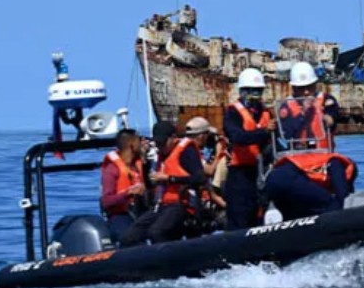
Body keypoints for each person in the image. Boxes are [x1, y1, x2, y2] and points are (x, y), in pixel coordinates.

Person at [120, 118, 216, 246]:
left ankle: (169, 256)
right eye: (158, 143)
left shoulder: (186, 151)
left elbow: (199, 179)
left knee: (156, 232)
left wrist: (170, 178)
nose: (160, 146)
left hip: (182, 205)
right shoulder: (159, 156)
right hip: (161, 205)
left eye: (163, 143)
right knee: (130, 236)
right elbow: (149, 185)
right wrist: (145, 162)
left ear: (173, 138)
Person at [223, 68, 276, 230]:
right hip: (240, 173)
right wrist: (264, 132)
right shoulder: (233, 113)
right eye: (252, 91)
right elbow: (237, 137)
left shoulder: (266, 113)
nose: (256, 96)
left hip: (262, 171)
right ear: (243, 91)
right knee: (241, 215)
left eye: (259, 91)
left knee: (261, 212)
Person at [265, 150, 357, 220]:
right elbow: (341, 192)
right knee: (331, 204)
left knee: (296, 215)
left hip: (272, 180)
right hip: (289, 178)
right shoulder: (338, 163)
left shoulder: (320, 161)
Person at [100, 128, 147, 243]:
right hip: (120, 215)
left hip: (141, 212)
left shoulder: (140, 164)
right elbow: (106, 201)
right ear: (132, 144)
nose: (142, 142)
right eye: (139, 140)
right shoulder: (112, 169)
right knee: (129, 237)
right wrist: (128, 193)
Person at [277, 62, 339, 149]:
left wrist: (323, 117)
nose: (306, 92)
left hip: (323, 153)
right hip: (297, 153)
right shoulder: (286, 106)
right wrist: (303, 113)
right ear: (294, 88)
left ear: (315, 85)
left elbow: (332, 119)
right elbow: (287, 133)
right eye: (301, 88)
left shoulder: (326, 99)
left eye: (309, 87)